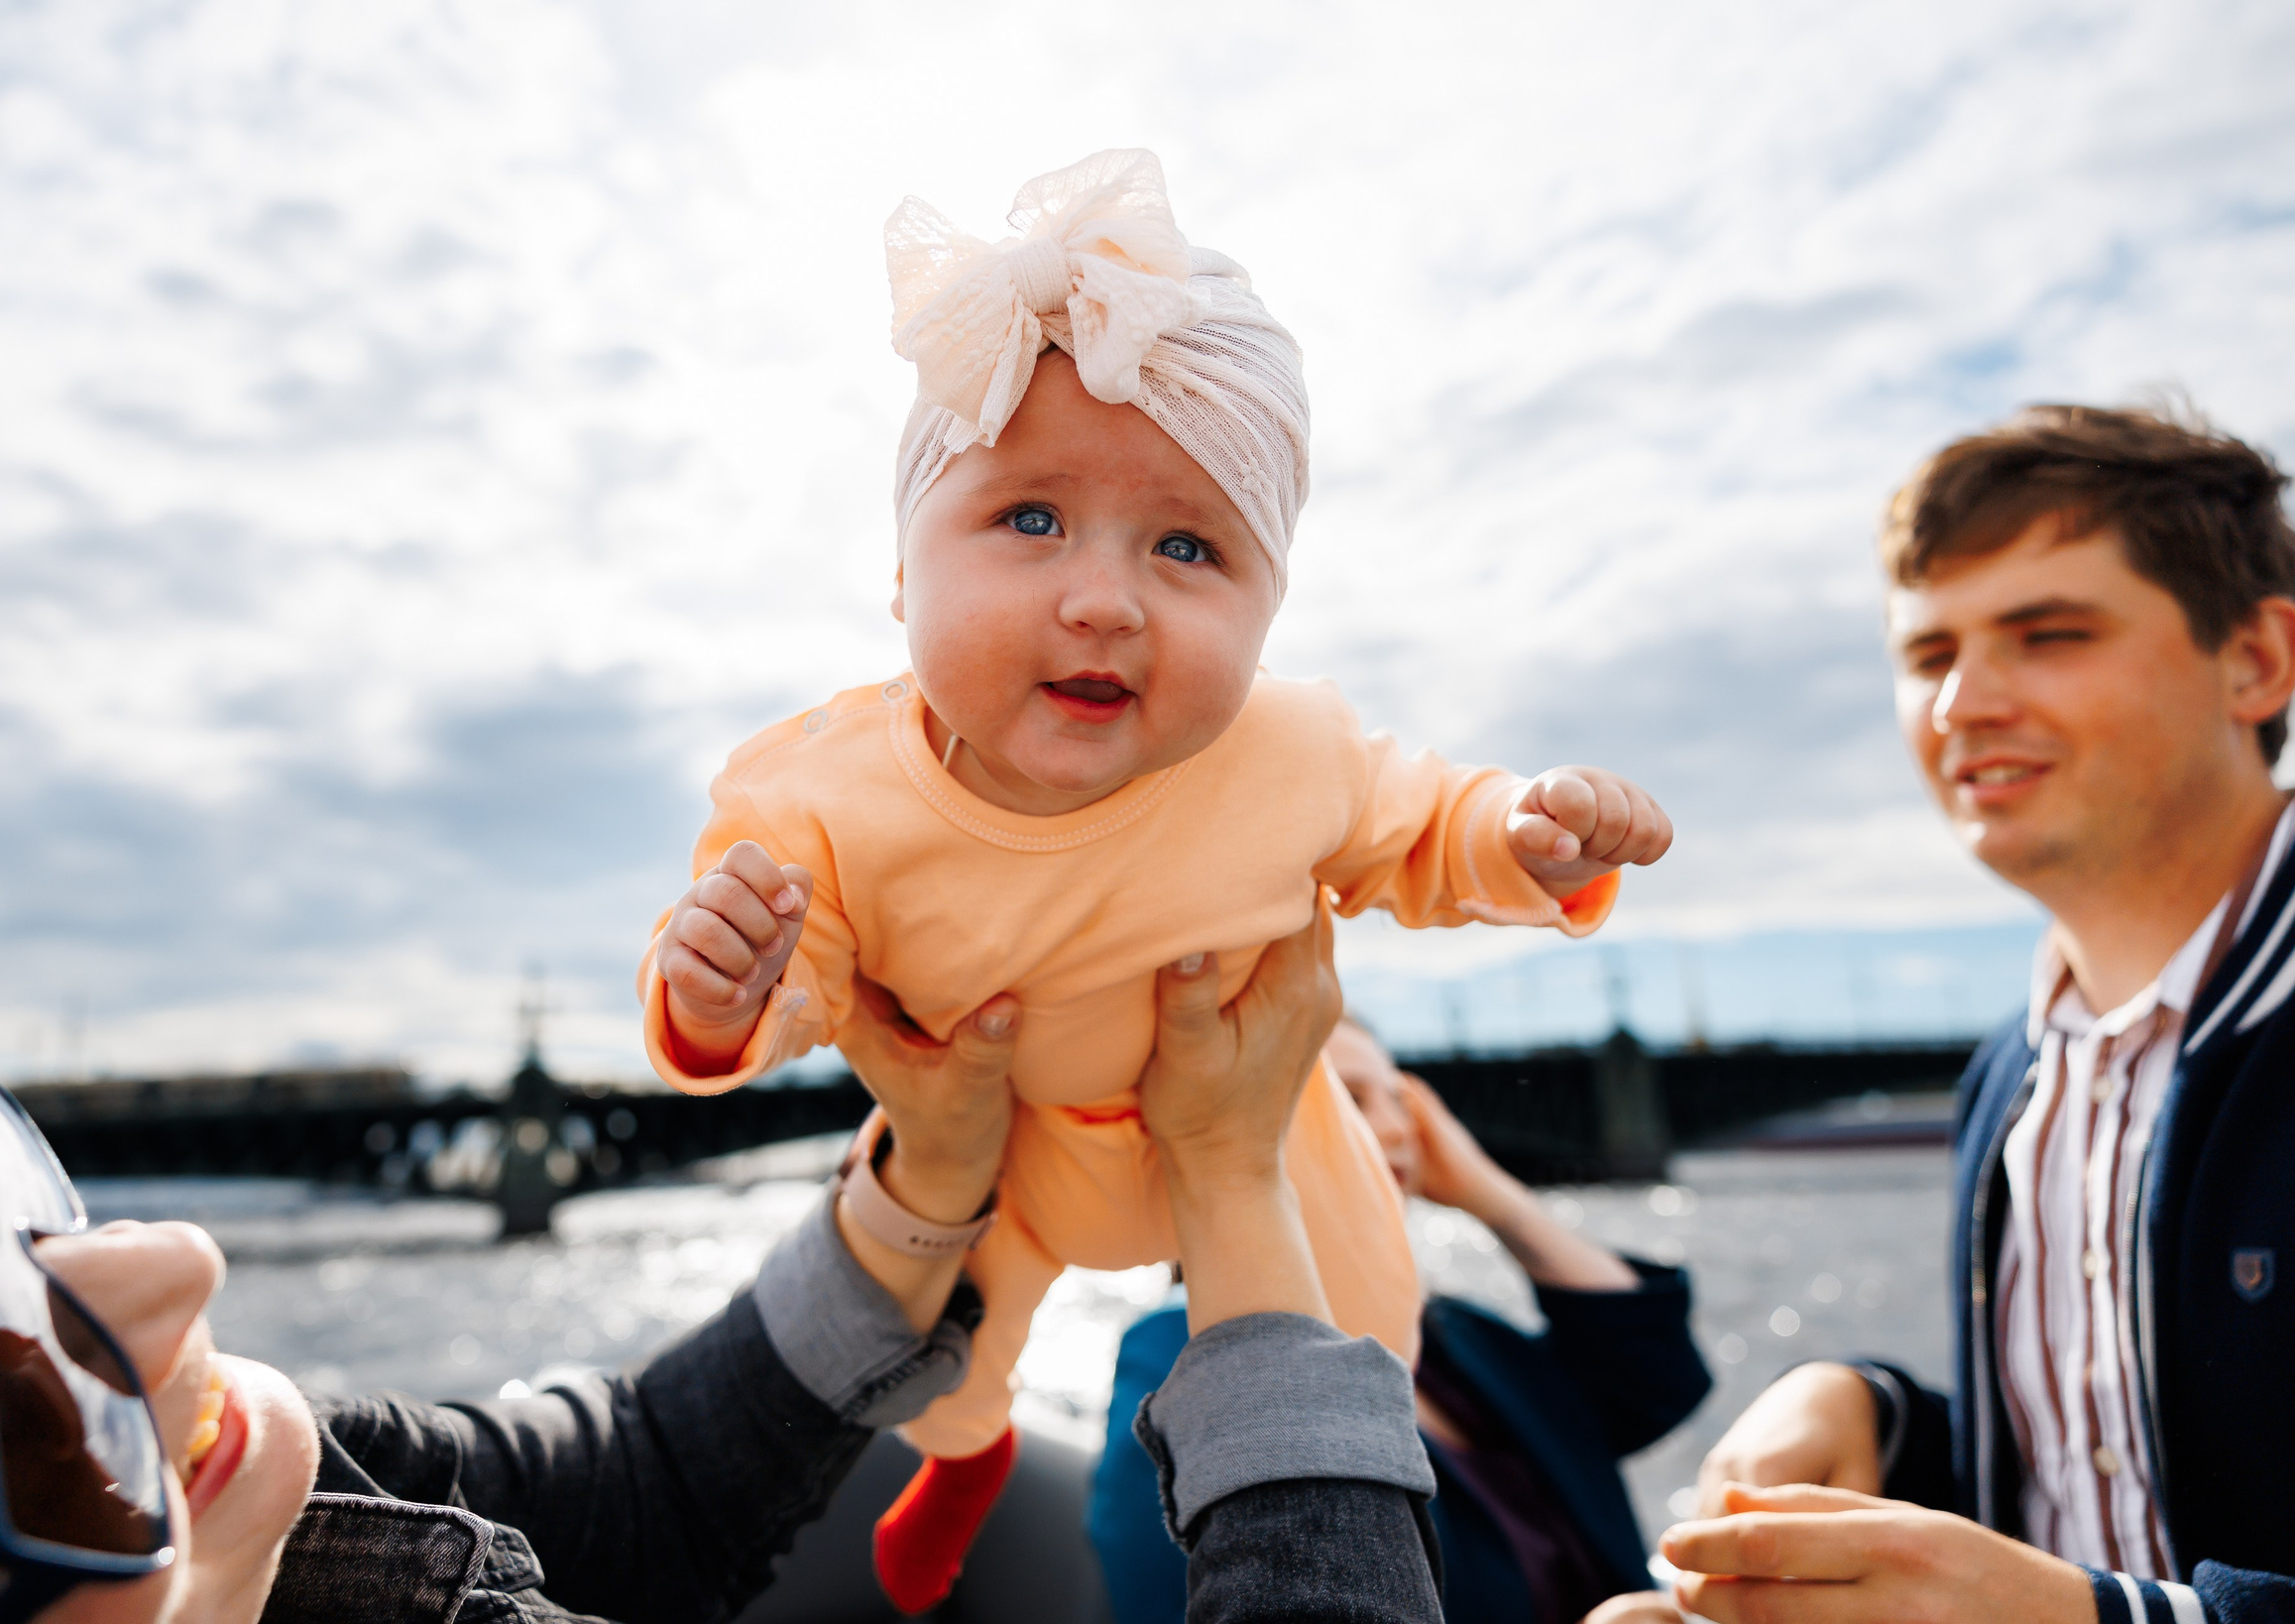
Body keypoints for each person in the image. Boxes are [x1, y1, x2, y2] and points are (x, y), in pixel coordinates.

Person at [637, 146, 1673, 1611]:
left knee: (1358, 1328)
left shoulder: (1288, 748)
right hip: (1011, 1128)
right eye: (1031, 518)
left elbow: (1424, 823)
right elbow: (795, 977)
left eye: (1190, 545)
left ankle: (1378, 1517)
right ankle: (969, 1453)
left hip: (1270, 1115)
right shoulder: (816, 794)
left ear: (1267, 614)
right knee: (954, 1331)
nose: (1106, 596)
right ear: (897, 576)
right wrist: (723, 988)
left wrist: (1529, 832)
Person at [0, 915, 1463, 1624]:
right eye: (23, 1393)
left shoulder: (273, 1508)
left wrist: (928, 1178)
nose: (172, 1261)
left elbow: (645, 1481)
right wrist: (1241, 1197)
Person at [1664, 405, 2295, 1624]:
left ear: (2258, 661)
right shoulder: (2014, 1073)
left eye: (2046, 634)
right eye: (1925, 653)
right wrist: (1873, 1414)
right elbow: (2114, 1483)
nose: (1962, 703)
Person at [1089, 1015, 1712, 1624]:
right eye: (1349, 1102)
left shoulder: (1449, 1336)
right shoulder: (1190, 1350)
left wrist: (1488, 1191)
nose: (1395, 1127)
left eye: (1403, 1102)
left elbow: (1654, 1383)